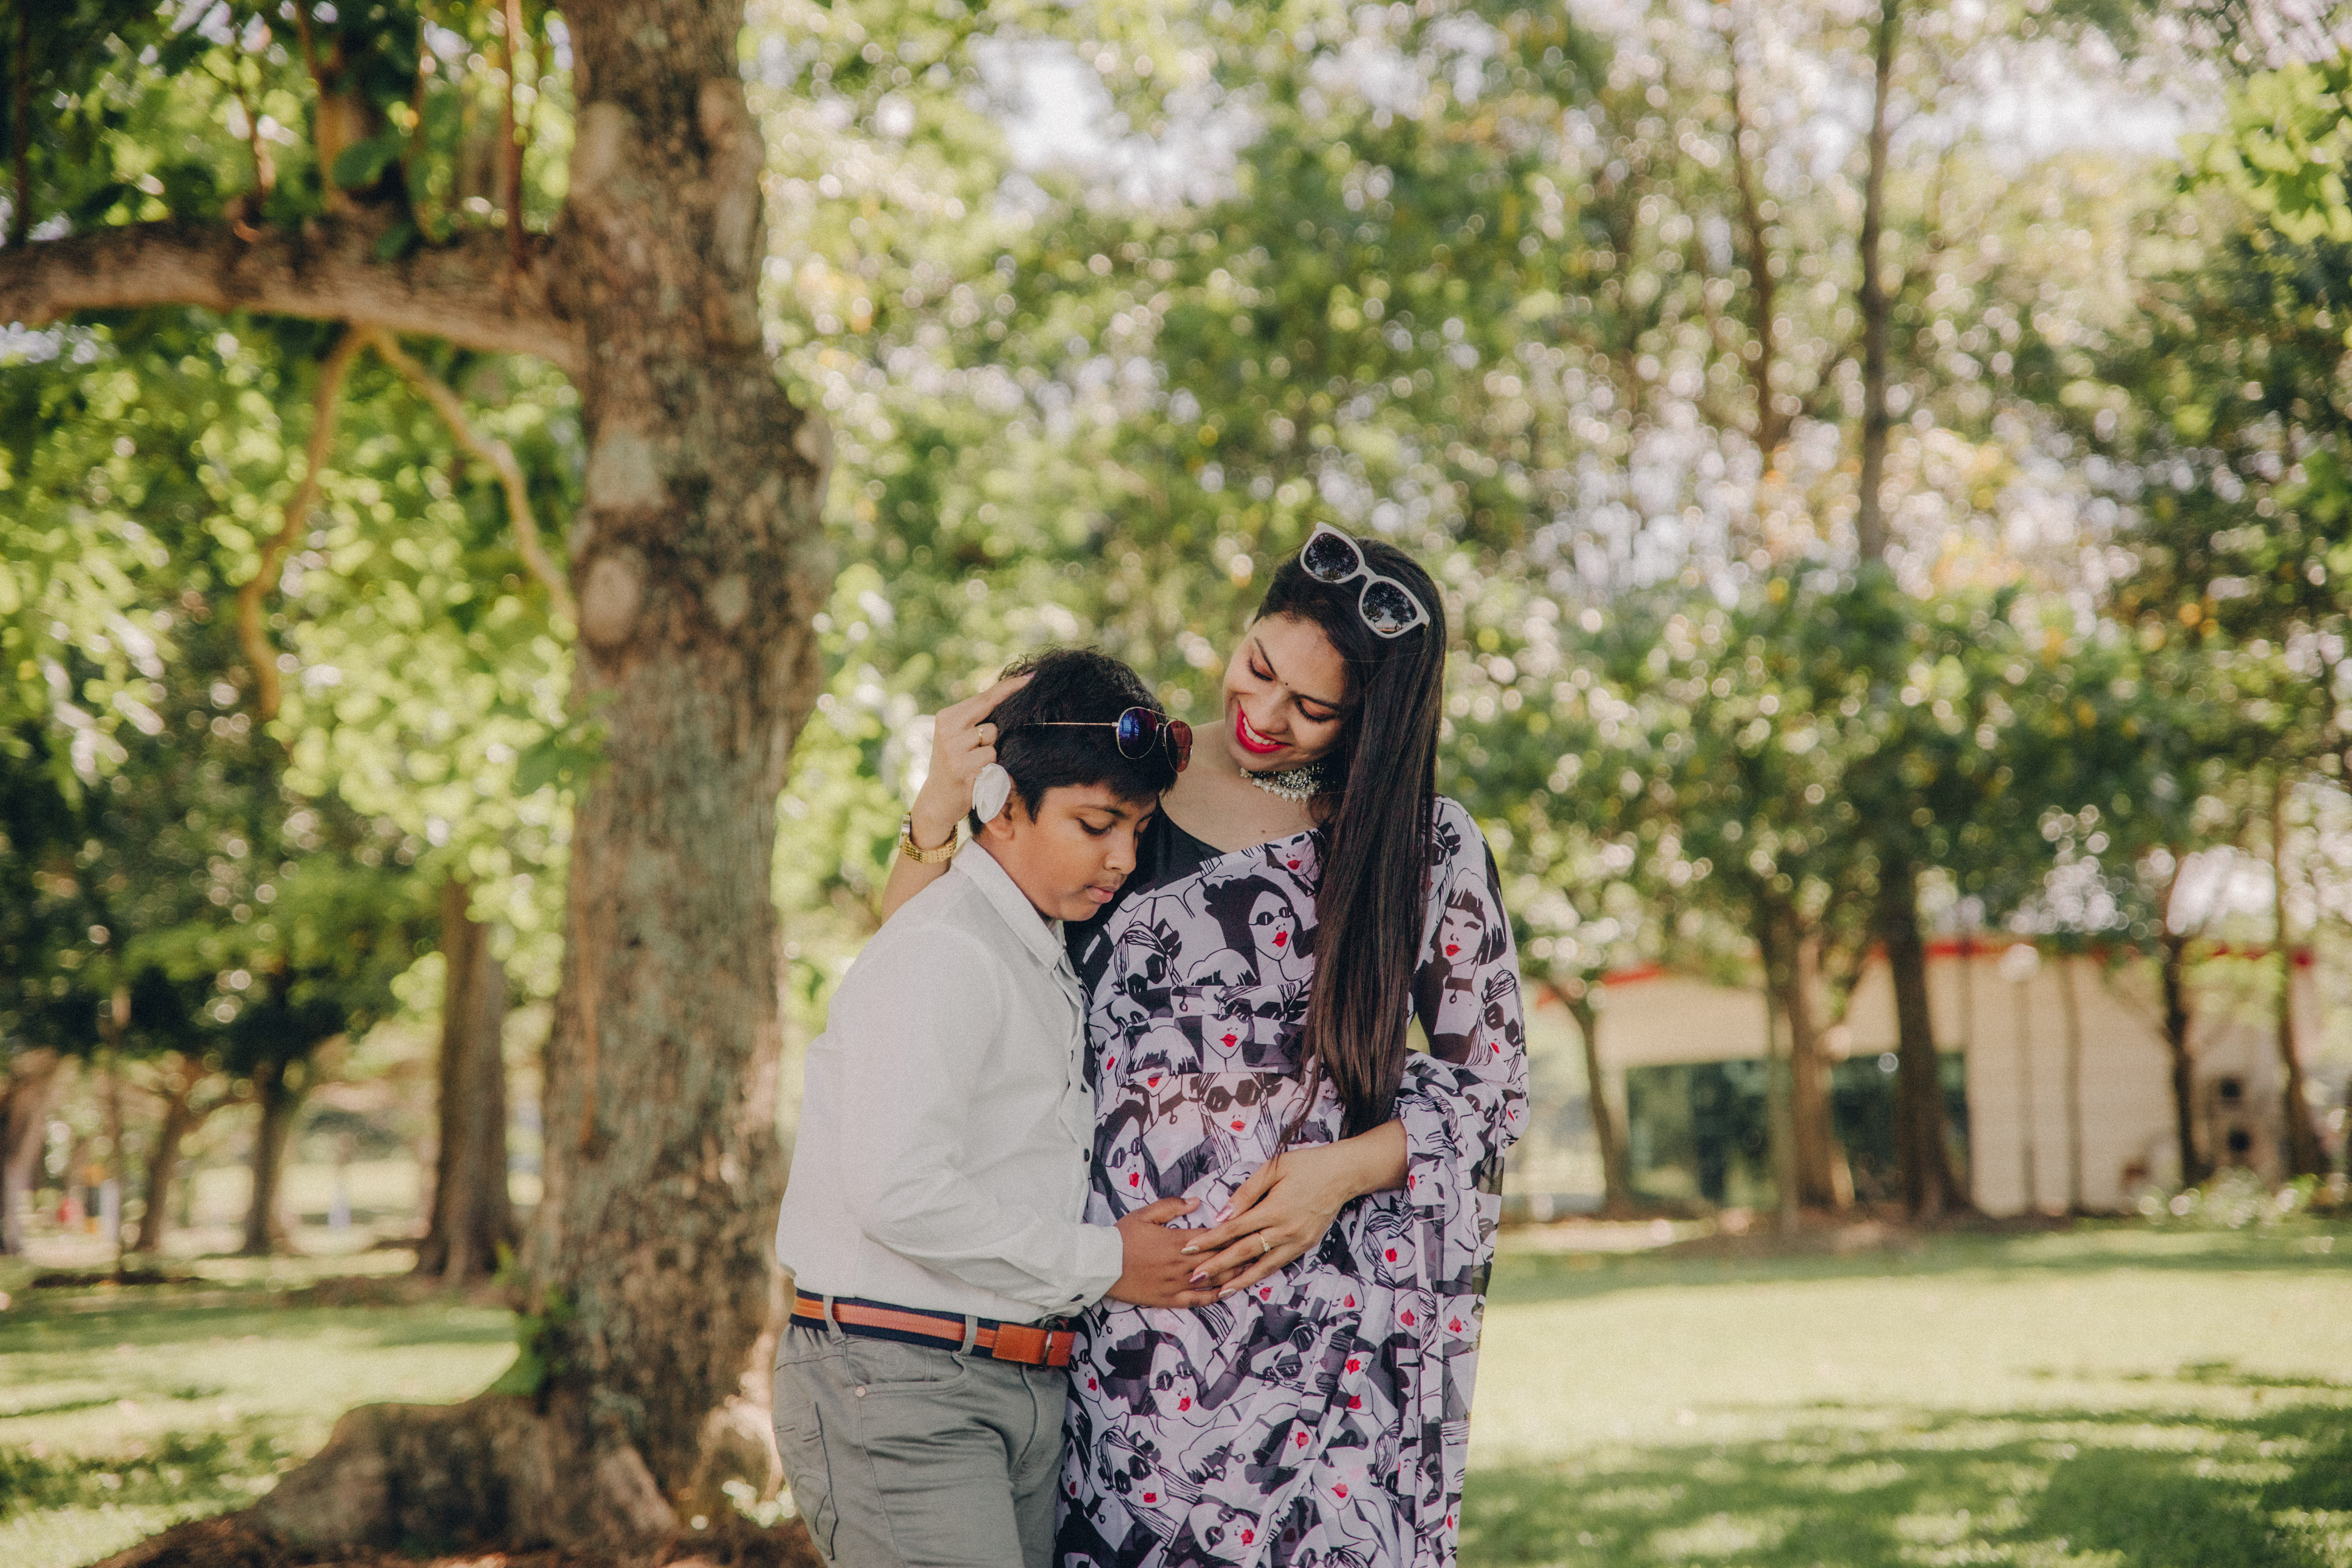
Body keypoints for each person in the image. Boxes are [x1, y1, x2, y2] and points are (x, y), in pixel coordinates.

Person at [882, 527, 1528, 1568]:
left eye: (1313, 709)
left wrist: (1332, 1176)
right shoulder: (1127, 777)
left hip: (1334, 1336)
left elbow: (1489, 1090)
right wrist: (936, 813)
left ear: (1375, 719)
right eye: (1258, 666)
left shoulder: (1425, 845)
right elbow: (916, 976)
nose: (1264, 715)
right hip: (1133, 1309)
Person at [772, 649, 1218, 1568]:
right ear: (1001, 803)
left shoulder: (1030, 946)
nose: (1123, 858)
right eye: (1097, 824)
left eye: (1135, 828)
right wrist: (1111, 1260)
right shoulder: (949, 951)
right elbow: (899, 1192)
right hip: (900, 1387)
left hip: (1013, 1386)